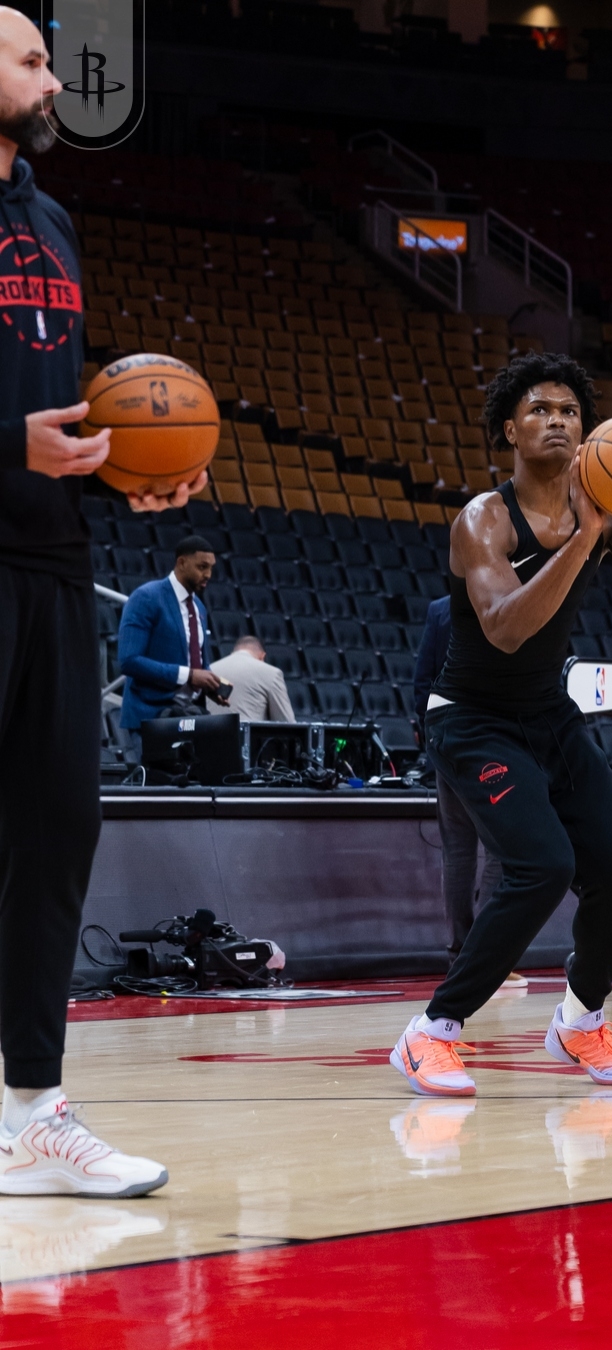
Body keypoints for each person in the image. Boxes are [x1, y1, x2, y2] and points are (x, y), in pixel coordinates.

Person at [0, 6, 204, 1196]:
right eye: (30, 59)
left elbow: (58, 413)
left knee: (54, 834)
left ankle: (32, 1117)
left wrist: (130, 470)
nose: (51, 78)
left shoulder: (56, 220)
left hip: (48, 560)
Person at [390, 352, 612, 1097]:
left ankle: (580, 1021)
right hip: (470, 716)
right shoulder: (484, 519)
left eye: (569, 410)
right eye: (539, 409)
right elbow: (504, 629)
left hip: (547, 713)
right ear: (510, 432)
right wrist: (582, 540)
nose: (557, 419)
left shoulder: (609, 514)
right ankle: (431, 1032)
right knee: (541, 866)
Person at [414, 595, 506, 959]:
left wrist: (432, 736)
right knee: (500, 850)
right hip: (493, 740)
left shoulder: (439, 609)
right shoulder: (507, 597)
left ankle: (460, 950)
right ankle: (484, 953)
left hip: (448, 739)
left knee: (457, 853)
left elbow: (422, 680)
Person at [118, 535, 225, 757]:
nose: (208, 575)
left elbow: (198, 663)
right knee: (157, 790)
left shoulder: (198, 607)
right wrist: (189, 676)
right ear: (181, 562)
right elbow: (129, 661)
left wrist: (210, 684)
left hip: (190, 716)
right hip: (150, 717)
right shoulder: (146, 597)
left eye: (211, 568)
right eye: (202, 567)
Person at [208, 635, 295, 724]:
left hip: (208, 734)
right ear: (262, 656)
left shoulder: (209, 670)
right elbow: (286, 722)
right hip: (248, 736)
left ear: (233, 652)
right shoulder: (272, 673)